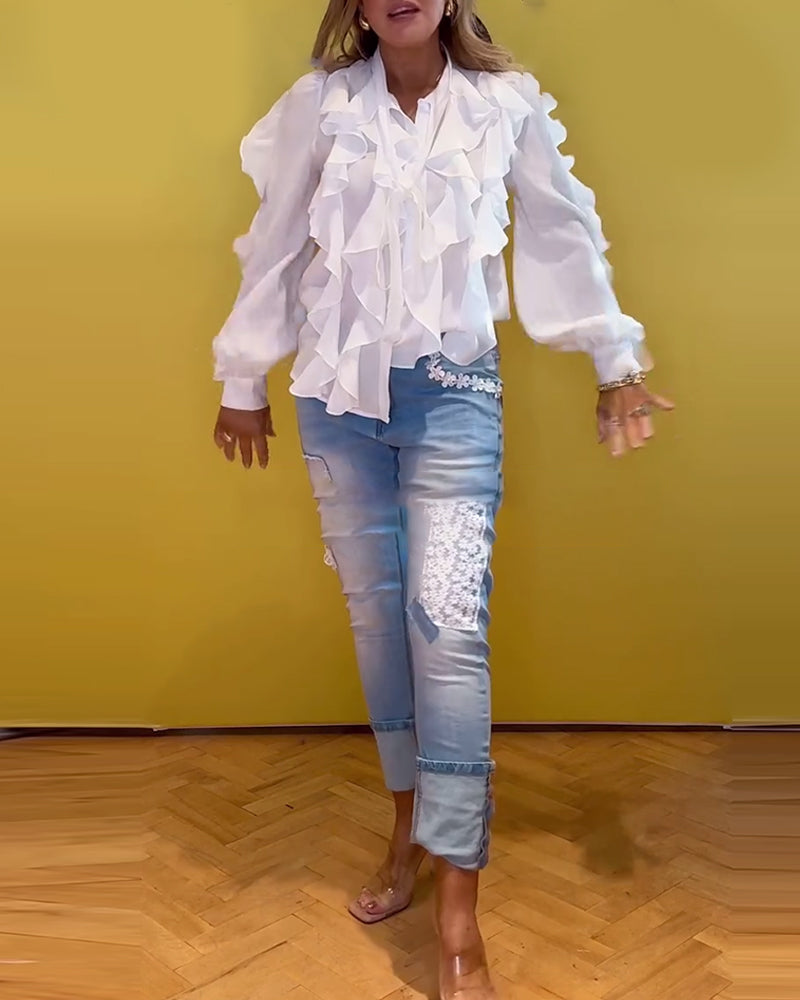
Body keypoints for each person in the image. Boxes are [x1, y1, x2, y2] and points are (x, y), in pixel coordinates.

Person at [211, 2, 673, 997]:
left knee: (448, 626)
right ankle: (405, 829)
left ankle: (459, 901)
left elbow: (560, 230)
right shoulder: (319, 106)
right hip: (336, 401)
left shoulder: (504, 104)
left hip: (454, 399)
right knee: (379, 624)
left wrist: (615, 361)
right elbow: (275, 242)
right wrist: (242, 377)